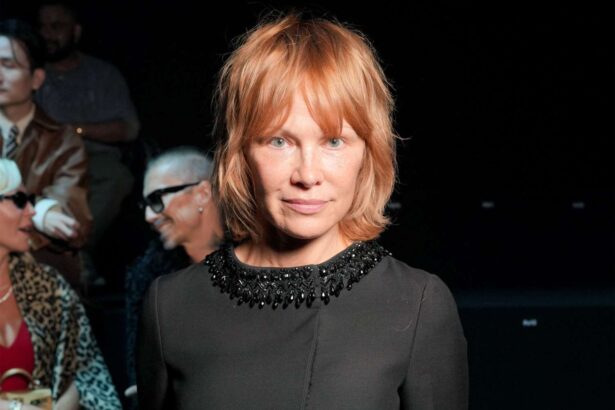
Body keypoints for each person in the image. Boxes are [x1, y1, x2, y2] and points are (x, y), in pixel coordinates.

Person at [137, 13, 468, 410]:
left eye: (334, 141)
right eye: (279, 141)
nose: (308, 175)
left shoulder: (417, 304)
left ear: (369, 152)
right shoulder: (169, 306)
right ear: (241, 152)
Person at [0, 159, 121, 410]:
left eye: (30, 200)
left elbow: (86, 372)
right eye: (20, 200)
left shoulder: (47, 285)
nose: (32, 211)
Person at [35, 1, 140, 283]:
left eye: (56, 26)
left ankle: (76, 250)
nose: (47, 35)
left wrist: (76, 130)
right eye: (43, 27)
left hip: (96, 158)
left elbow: (129, 128)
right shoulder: (31, 76)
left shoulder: (102, 75)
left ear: (76, 31)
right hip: (49, 161)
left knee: (116, 178)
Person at [125, 147, 224, 393]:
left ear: (202, 193)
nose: (149, 216)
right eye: (145, 205)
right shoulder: (148, 277)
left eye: (156, 199)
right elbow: (139, 370)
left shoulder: (259, 260)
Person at [0, 18, 90, 287]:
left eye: (8, 65)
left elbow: (70, 213)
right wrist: (38, 212)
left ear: (36, 78)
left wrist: (44, 212)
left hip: (41, 267)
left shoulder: (62, 140)